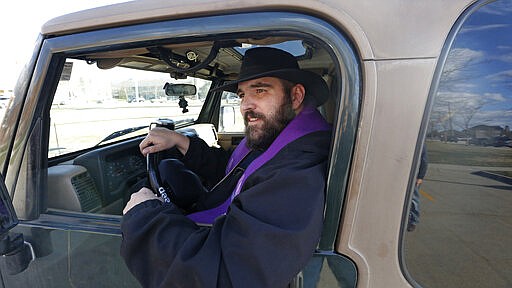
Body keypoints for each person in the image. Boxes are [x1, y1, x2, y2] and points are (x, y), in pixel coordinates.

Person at [120, 47, 332, 288]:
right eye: (242, 95)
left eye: (260, 90)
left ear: (295, 97)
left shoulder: (299, 169)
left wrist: (145, 216)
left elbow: (227, 275)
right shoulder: (281, 138)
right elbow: (236, 171)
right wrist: (181, 142)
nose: (245, 106)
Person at [407, 146, 428, 232]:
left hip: (413, 176)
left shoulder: (420, 144)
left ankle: (413, 221)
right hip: (402, 174)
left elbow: (424, 161)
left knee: (414, 199)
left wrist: (420, 177)